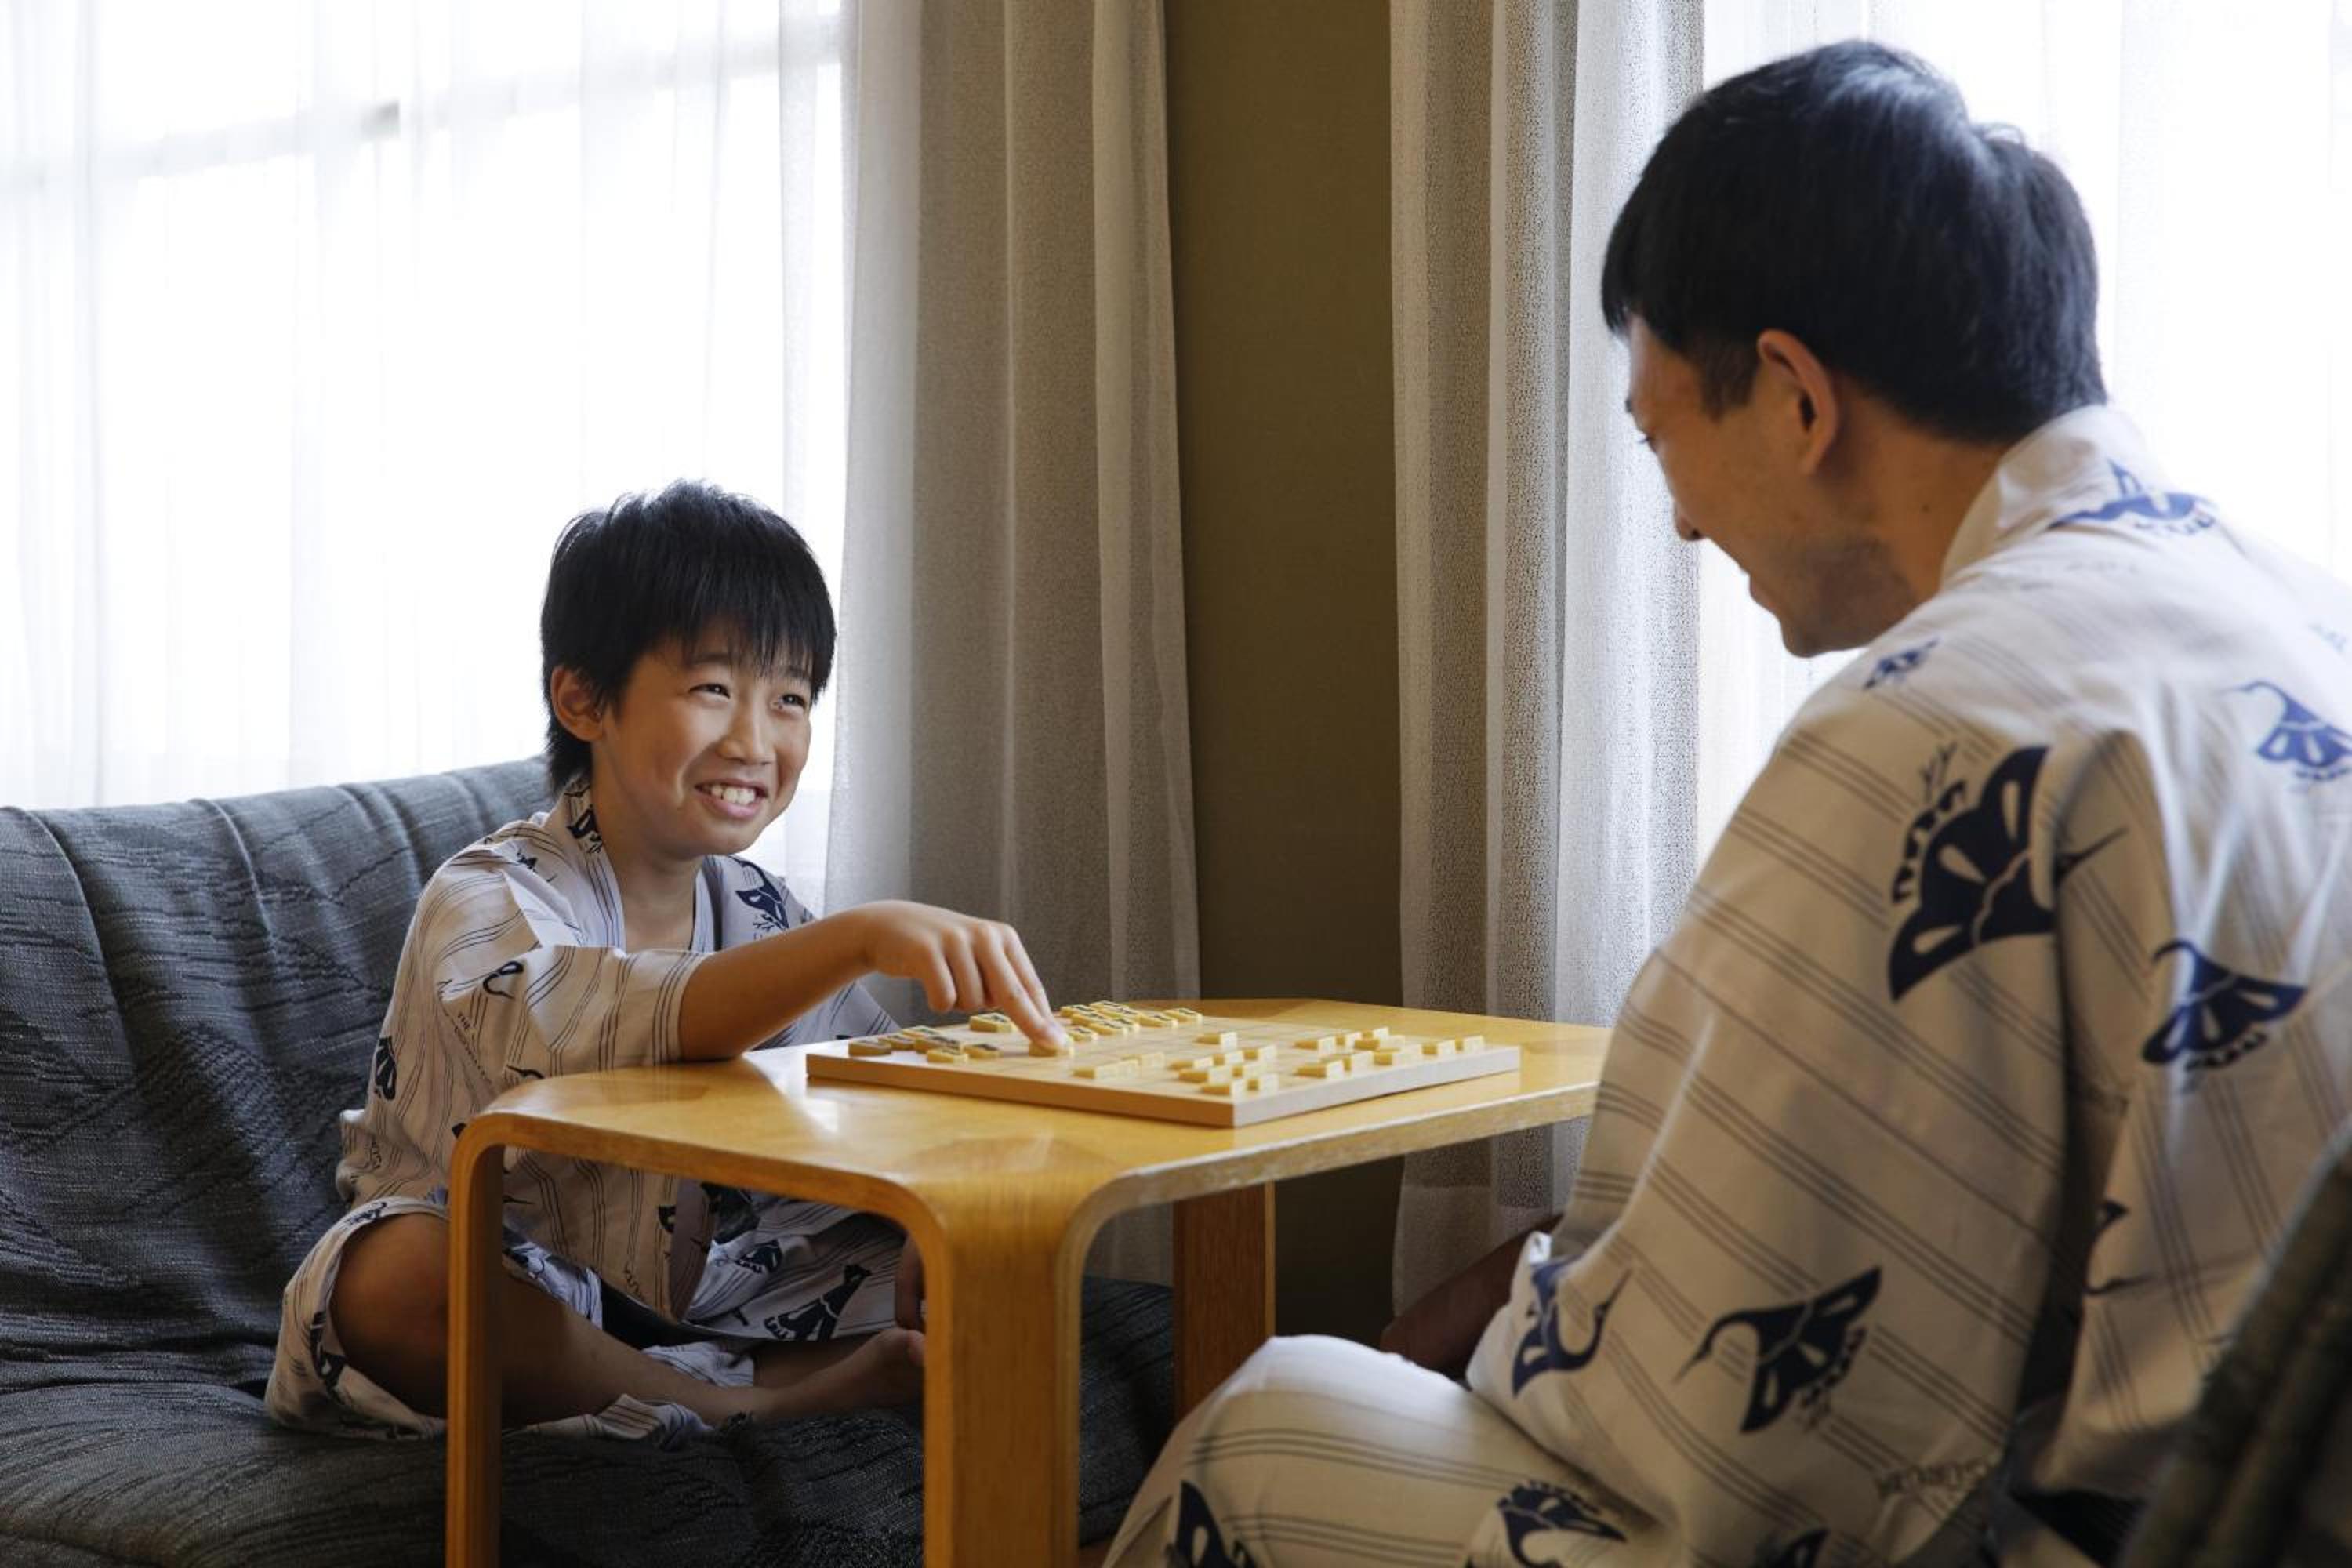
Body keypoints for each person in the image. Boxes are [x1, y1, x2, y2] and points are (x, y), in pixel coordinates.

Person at [1107, 40, 2352, 1567]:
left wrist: (1493, 1333)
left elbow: (1729, 1426)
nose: (1686, 517)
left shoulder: (1942, 727)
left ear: (1791, 394)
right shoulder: (2303, 621)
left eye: (1658, 435)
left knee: (1271, 1420)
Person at [265, 481, 1065, 1443]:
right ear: (584, 697)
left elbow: (875, 1084)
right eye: (714, 689)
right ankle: (746, 1403)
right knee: (391, 1276)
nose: (755, 739)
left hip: (709, 1293)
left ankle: (707, 1371)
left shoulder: (757, 908)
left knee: (994, 1254)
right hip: (504, 1286)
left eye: (791, 698)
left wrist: (948, 1193)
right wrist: (859, 934)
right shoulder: (485, 892)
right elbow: (595, 1016)